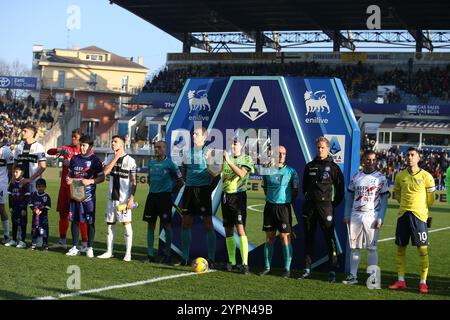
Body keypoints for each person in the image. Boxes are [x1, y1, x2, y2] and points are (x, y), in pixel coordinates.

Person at [389, 147, 435, 294]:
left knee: (422, 249)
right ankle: (401, 280)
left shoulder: (427, 176)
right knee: (400, 248)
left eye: (412, 155)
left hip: (420, 217)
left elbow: (431, 199)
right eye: (407, 155)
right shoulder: (400, 175)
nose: (409, 157)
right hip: (403, 215)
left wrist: (422, 209)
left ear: (418, 158)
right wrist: (404, 205)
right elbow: (397, 193)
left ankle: (423, 282)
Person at [300, 136, 344, 283]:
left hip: (326, 207)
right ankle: (306, 269)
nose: (320, 150)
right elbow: (304, 187)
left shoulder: (334, 167)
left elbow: (340, 190)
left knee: (329, 239)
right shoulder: (309, 166)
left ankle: (332, 270)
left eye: (323, 147)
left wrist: (331, 205)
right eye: (318, 147)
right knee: (308, 238)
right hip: (310, 206)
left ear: (328, 149)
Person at [342, 150, 388, 285]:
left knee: (372, 248)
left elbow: (384, 200)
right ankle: (353, 276)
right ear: (364, 160)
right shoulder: (356, 176)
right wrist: (346, 214)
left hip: (372, 215)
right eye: (368, 159)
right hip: (355, 215)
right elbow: (349, 198)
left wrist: (381, 217)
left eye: (374, 160)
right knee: (354, 247)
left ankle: (373, 278)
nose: (371, 162)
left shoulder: (381, 178)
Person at [177, 127, 217, 267]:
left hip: (203, 192)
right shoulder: (187, 153)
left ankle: (211, 258)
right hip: (189, 191)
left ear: (204, 137)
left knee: (208, 225)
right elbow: (184, 172)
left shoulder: (209, 152)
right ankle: (185, 258)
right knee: (185, 223)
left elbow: (216, 175)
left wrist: (208, 189)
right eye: (193, 133)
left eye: (197, 134)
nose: (193, 135)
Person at [259, 145, 299, 278]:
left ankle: (287, 269)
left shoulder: (291, 172)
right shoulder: (267, 170)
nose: (281, 155)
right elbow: (265, 188)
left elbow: (295, 191)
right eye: (279, 153)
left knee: (285, 238)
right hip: (270, 207)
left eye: (284, 153)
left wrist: (284, 200)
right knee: (269, 237)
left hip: (284, 208)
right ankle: (267, 267)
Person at [97, 135, 137, 262]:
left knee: (126, 224)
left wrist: (131, 198)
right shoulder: (109, 157)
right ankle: (109, 251)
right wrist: (115, 158)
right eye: (112, 141)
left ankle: (128, 253)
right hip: (111, 198)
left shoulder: (131, 161)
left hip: (123, 199)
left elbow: (134, 182)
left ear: (122, 144)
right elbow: (104, 173)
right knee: (110, 224)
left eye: (115, 142)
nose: (113, 143)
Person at [47, 128, 88, 250]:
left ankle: (84, 243)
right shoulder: (67, 148)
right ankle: (62, 241)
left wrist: (70, 163)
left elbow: (87, 167)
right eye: (72, 136)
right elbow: (50, 151)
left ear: (81, 138)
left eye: (75, 137)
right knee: (63, 214)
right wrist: (60, 149)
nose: (73, 139)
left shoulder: (84, 151)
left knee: (80, 216)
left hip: (77, 186)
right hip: (65, 187)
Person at [143, 140, 184, 263]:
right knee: (151, 225)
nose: (156, 149)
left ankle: (167, 254)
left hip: (164, 198)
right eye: (155, 147)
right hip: (152, 197)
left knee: (167, 225)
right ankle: (150, 254)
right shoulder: (151, 163)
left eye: (159, 147)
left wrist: (170, 192)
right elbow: (149, 179)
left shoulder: (171, 164)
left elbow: (180, 180)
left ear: (165, 149)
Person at [65, 135, 105, 258]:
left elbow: (102, 177)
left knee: (90, 221)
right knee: (75, 220)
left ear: (90, 147)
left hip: (89, 197)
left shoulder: (95, 160)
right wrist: (69, 179)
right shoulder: (74, 159)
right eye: (81, 145)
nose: (82, 147)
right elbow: (70, 174)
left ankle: (89, 247)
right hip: (76, 195)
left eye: (85, 145)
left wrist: (91, 182)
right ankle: (75, 247)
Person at [221, 137, 254, 274]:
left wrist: (228, 160)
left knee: (240, 229)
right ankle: (232, 262)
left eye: (236, 143)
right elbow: (221, 176)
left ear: (241, 145)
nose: (233, 145)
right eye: (232, 143)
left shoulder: (246, 159)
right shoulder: (226, 159)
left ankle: (245, 263)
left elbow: (241, 173)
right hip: (226, 197)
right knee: (228, 229)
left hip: (238, 197)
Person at [13, 124, 46, 194]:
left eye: (25, 131)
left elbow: (43, 167)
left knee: (34, 204)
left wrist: (29, 179)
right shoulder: (19, 147)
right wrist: (13, 178)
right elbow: (14, 164)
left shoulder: (39, 147)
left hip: (34, 182)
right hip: (20, 182)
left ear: (32, 133)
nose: (22, 133)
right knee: (19, 204)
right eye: (22, 131)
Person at [5, 166, 30, 248]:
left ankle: (23, 241)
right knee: (14, 223)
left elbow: (27, 197)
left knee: (23, 224)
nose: (15, 174)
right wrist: (10, 207)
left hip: (22, 208)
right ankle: (14, 240)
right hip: (14, 207)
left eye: (17, 172)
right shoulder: (12, 183)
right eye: (14, 172)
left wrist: (24, 208)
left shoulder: (25, 183)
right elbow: (10, 196)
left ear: (22, 173)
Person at [29, 178, 51, 250]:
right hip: (35, 218)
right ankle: (33, 244)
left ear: (45, 187)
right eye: (39, 186)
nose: (41, 188)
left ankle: (45, 245)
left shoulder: (47, 196)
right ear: (36, 187)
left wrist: (42, 211)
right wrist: (35, 210)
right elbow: (31, 204)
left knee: (44, 231)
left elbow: (48, 207)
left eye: (42, 186)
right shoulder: (34, 195)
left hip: (43, 219)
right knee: (34, 230)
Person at [0, 132, 14, 243]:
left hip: (1, 182)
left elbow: (11, 169)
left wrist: (8, 184)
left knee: (1, 208)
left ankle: (6, 236)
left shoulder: (6, 150)